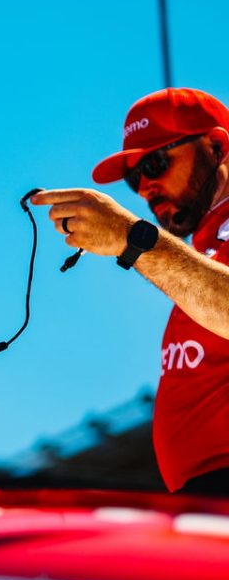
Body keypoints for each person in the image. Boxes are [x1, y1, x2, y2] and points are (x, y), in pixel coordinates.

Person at [32, 87, 229, 494]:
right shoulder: (206, 250)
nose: (144, 189)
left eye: (155, 164)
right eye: (133, 177)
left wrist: (133, 239)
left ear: (216, 146)